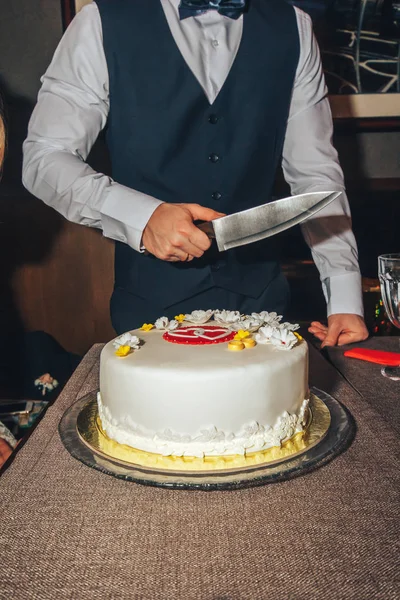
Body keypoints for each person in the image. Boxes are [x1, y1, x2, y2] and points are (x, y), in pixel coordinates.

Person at [23, 0, 369, 347]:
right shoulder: (101, 21)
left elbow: (316, 175)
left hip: (264, 309)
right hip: (150, 316)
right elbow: (44, 157)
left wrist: (344, 296)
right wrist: (142, 218)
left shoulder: (293, 25)